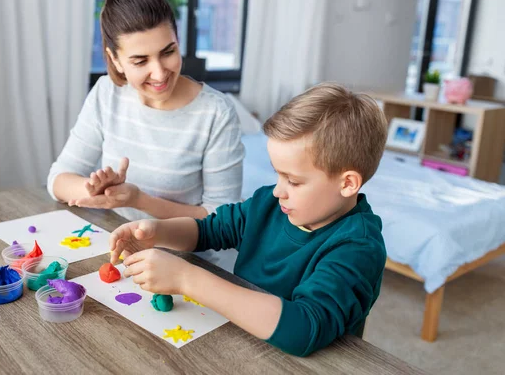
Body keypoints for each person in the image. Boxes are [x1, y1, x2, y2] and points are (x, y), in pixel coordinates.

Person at [108, 83, 388, 356]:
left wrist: (186, 279)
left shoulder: (358, 246)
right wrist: (156, 231)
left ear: (348, 183)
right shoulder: (270, 202)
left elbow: (304, 328)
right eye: (277, 174)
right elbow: (209, 230)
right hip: (240, 343)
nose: (278, 190)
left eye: (293, 181)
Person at [47, 0, 244, 252]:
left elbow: (223, 221)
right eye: (140, 61)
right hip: (116, 251)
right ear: (115, 60)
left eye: (168, 52)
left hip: (186, 261)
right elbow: (58, 180)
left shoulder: (216, 113)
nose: (160, 73)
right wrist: (96, 191)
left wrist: (139, 200)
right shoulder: (107, 93)